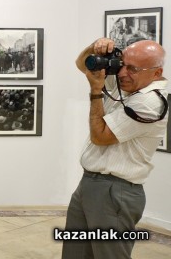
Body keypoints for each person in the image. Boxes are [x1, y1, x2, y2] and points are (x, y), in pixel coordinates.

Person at [62, 37, 167, 259]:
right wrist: (94, 47)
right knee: (76, 253)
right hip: (90, 183)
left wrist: (96, 92)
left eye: (133, 69)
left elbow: (100, 136)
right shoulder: (128, 85)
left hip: (116, 191)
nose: (121, 74)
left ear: (156, 73)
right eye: (122, 64)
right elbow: (83, 65)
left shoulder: (150, 102)